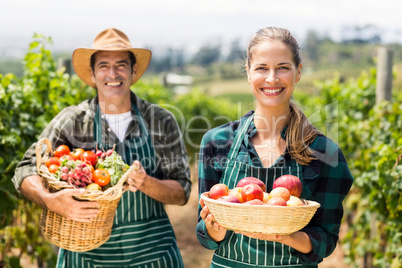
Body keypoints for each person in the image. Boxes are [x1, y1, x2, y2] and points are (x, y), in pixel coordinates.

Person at [13, 28, 191, 267]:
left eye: (121, 65)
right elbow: (26, 168)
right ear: (93, 73)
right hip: (87, 256)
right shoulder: (73, 121)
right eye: (104, 65)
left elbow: (182, 191)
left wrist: (146, 182)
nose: (113, 73)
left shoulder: (160, 121)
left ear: (133, 70)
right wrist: (49, 199)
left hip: (153, 255)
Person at [196, 27, 354, 267]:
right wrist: (213, 229)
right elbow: (204, 234)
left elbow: (326, 239)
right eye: (261, 68)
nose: (271, 78)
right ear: (248, 72)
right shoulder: (216, 142)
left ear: (298, 72)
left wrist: (286, 236)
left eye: (282, 67)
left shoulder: (324, 152)